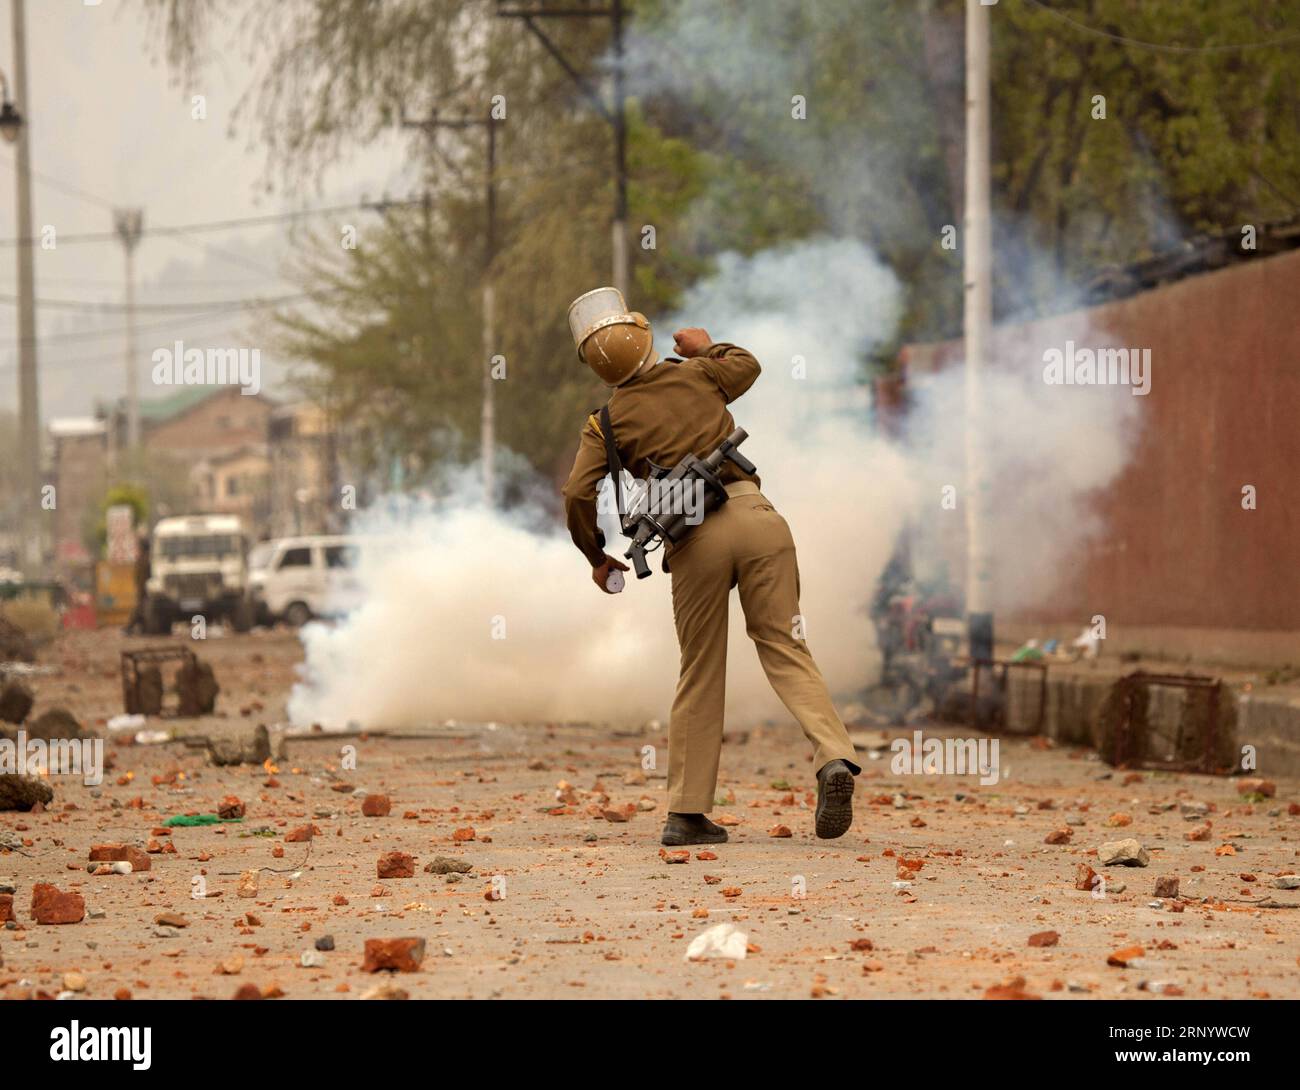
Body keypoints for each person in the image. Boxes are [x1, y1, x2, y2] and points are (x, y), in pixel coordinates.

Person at [560, 287, 861, 846]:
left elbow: (578, 493)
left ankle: (688, 814)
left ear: (598, 370)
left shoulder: (604, 423)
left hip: (692, 537)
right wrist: (705, 347)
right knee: (785, 644)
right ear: (646, 339)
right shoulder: (698, 374)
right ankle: (833, 758)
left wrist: (596, 555)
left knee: (699, 669)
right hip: (758, 516)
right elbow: (746, 365)